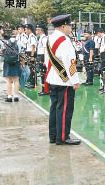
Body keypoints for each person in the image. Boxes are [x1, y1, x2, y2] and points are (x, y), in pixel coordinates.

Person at [45, 14, 81, 145]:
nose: (70, 28)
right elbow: (70, 63)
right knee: (65, 109)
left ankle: (53, 136)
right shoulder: (64, 40)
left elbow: (46, 60)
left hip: (52, 78)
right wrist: (75, 80)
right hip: (64, 80)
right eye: (70, 25)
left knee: (54, 108)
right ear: (63, 26)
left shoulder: (50, 38)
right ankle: (63, 137)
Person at [3, 35, 23, 102]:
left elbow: (2, 52)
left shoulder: (5, 42)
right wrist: (22, 64)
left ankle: (9, 97)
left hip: (8, 62)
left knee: (8, 80)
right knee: (16, 80)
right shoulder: (19, 42)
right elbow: (22, 53)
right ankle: (16, 96)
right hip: (16, 62)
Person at [36, 23, 49, 95]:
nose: (36, 31)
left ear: (40, 30)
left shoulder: (44, 38)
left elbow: (45, 50)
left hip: (42, 56)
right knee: (42, 74)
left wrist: (45, 60)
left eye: (37, 30)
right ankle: (44, 89)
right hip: (40, 56)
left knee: (43, 73)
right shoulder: (41, 37)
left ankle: (46, 90)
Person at [25, 24, 37, 88]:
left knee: (32, 69)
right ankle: (31, 82)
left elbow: (33, 47)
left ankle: (33, 83)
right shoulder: (29, 36)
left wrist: (32, 56)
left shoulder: (32, 37)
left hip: (32, 53)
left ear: (29, 29)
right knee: (30, 68)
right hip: (28, 53)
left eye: (26, 29)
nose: (25, 31)